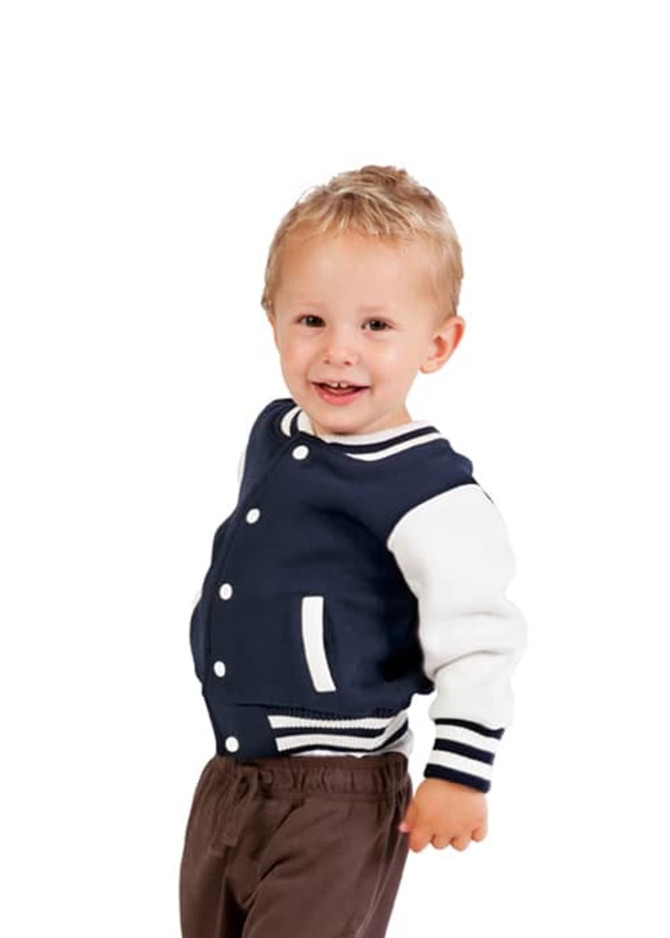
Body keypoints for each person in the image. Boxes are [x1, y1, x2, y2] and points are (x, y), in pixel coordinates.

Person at [179, 164, 528, 938]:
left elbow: (480, 637)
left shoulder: (430, 491)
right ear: (273, 321)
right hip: (231, 777)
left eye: (376, 326)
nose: (339, 351)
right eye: (312, 320)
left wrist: (458, 772)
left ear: (438, 343)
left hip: (336, 791)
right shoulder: (275, 434)